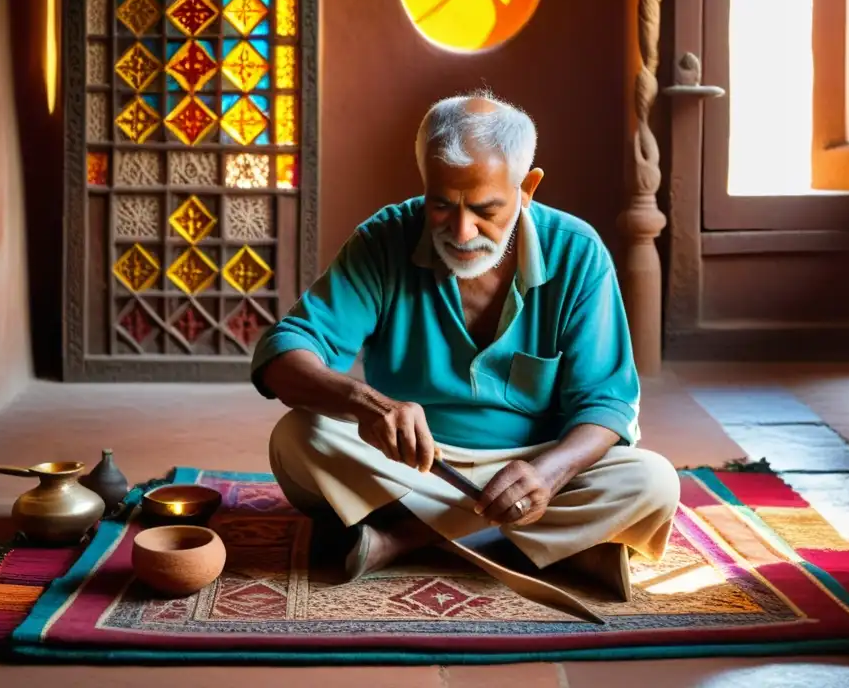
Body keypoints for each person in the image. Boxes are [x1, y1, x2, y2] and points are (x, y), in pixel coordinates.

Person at [249, 91, 680, 601]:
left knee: (652, 481)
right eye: (440, 205)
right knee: (300, 437)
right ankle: (532, 545)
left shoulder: (578, 252)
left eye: (485, 210)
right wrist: (368, 403)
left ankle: (404, 539)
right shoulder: (385, 239)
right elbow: (283, 353)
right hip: (413, 467)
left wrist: (548, 474)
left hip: (534, 468)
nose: (461, 231)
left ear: (528, 189)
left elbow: (609, 405)